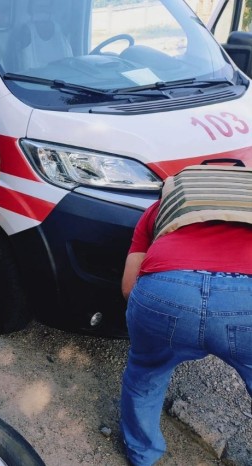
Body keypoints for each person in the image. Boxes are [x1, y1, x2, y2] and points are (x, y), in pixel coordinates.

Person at [120, 163, 252, 466]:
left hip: (166, 288)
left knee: (145, 376)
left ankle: (142, 455)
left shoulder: (161, 208)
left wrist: (157, 330)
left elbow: (129, 287)